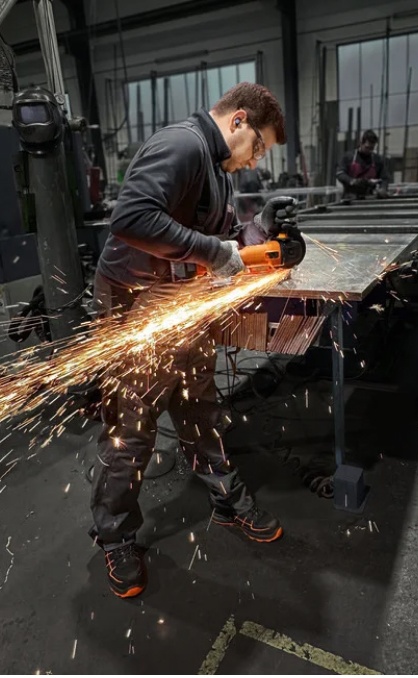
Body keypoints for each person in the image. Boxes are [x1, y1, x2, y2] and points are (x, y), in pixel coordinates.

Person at [89, 82, 299, 599]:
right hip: (135, 304)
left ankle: (225, 498)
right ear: (239, 121)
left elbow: (218, 239)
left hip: (180, 302)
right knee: (133, 428)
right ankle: (115, 537)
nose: (255, 160)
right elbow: (132, 217)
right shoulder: (182, 145)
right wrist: (213, 251)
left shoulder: (216, 167)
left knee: (200, 406)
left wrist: (260, 234)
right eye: (259, 146)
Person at [336, 129, 389, 200]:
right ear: (361, 143)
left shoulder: (377, 160)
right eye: (367, 147)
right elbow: (340, 174)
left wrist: (383, 188)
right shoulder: (348, 157)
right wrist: (352, 181)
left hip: (370, 198)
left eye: (372, 148)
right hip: (350, 198)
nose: (369, 150)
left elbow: (384, 178)